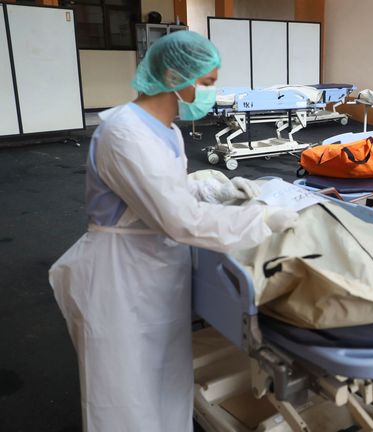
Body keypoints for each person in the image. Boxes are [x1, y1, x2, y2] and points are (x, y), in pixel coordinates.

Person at [48, 31, 297, 432]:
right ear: (171, 75)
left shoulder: (165, 129)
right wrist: (262, 220)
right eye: (207, 83)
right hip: (122, 276)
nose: (210, 94)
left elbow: (162, 188)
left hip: (156, 266)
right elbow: (179, 218)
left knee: (165, 377)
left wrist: (212, 187)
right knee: (125, 391)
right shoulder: (125, 133)